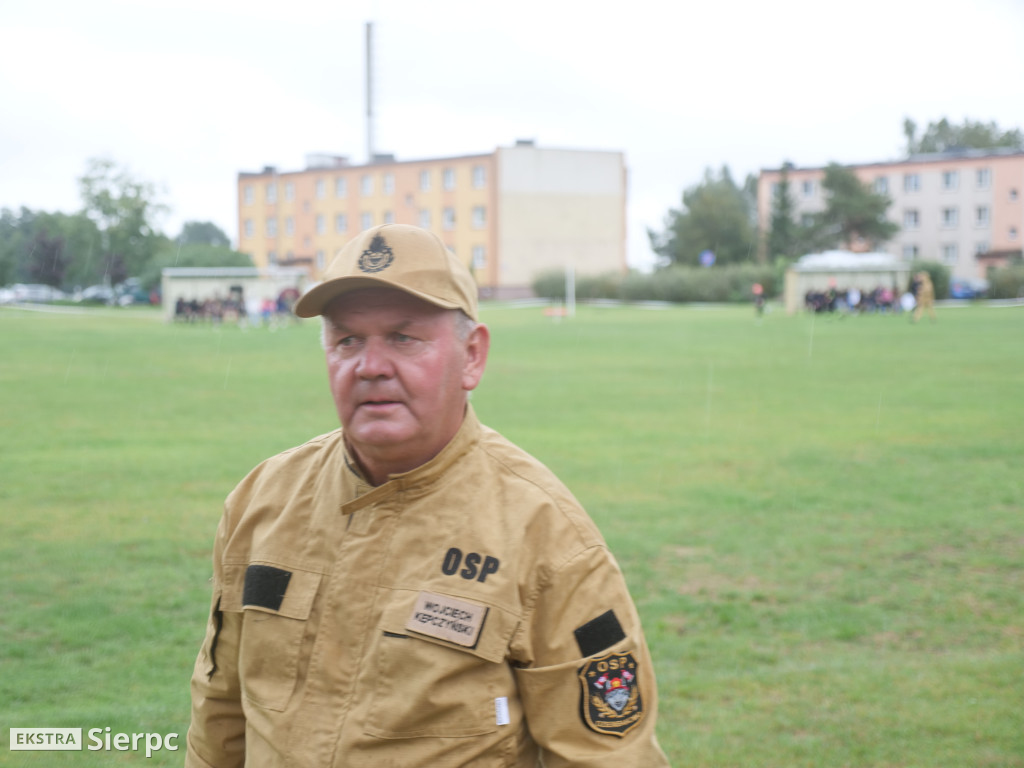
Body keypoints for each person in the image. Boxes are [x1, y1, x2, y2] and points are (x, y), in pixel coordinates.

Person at [186, 224, 670, 767]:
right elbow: (219, 717)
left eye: (403, 337)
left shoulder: (548, 538)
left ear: (472, 356)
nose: (370, 366)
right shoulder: (262, 502)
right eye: (347, 339)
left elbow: (605, 758)